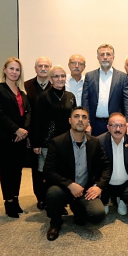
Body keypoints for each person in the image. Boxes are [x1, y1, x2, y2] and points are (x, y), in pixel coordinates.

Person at [43, 107, 112, 241]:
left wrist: (99, 186)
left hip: (85, 189)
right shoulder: (57, 142)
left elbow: (106, 166)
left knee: (98, 214)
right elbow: (48, 171)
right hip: (64, 187)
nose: (80, 120)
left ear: (88, 122)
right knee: (53, 193)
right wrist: (69, 184)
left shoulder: (94, 142)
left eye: (84, 117)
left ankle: (77, 208)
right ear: (70, 120)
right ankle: (55, 222)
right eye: (76, 116)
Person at [31, 65, 77, 210]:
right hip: (48, 142)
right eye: (56, 76)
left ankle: (60, 200)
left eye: (63, 76)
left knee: (63, 172)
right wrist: (36, 143)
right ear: (50, 79)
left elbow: (74, 118)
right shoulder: (44, 97)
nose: (60, 79)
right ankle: (42, 198)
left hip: (66, 141)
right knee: (45, 172)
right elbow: (37, 121)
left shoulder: (70, 96)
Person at [0, 57, 31, 218]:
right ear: (5, 70)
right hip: (5, 137)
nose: (14, 72)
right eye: (11, 69)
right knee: (7, 170)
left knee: (18, 170)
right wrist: (16, 130)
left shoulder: (22, 92)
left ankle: (15, 198)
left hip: (21, 138)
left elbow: (28, 112)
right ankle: (8, 201)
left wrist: (24, 131)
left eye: (17, 69)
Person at [81, 44, 128, 136]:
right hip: (94, 124)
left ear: (113, 57)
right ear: (98, 58)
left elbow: (127, 101)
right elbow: (85, 101)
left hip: (116, 125)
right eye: (102, 54)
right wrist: (86, 121)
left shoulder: (122, 77)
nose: (105, 57)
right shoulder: (89, 76)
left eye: (108, 54)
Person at [97, 112, 128, 216]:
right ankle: (105, 200)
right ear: (108, 127)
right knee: (100, 211)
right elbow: (94, 166)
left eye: (121, 125)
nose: (118, 129)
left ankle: (122, 199)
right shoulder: (99, 141)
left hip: (126, 183)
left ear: (126, 127)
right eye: (114, 125)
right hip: (106, 184)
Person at [24, 56, 52, 209]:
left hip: (53, 136)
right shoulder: (26, 86)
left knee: (53, 168)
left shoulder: (56, 84)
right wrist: (30, 136)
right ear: (35, 68)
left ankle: (52, 196)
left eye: (46, 66)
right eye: (40, 66)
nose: (43, 68)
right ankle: (40, 197)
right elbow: (26, 113)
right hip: (35, 134)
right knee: (37, 169)